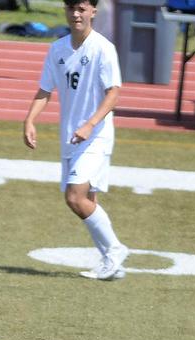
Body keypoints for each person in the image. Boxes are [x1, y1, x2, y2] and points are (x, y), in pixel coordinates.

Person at [23, 0, 128, 280]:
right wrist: (30, 120)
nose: (76, 14)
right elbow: (45, 90)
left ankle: (115, 250)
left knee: (74, 197)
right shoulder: (57, 49)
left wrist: (90, 124)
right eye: (71, 8)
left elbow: (113, 93)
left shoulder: (103, 48)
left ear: (93, 11)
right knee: (88, 199)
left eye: (82, 8)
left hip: (96, 136)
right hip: (70, 137)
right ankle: (111, 263)